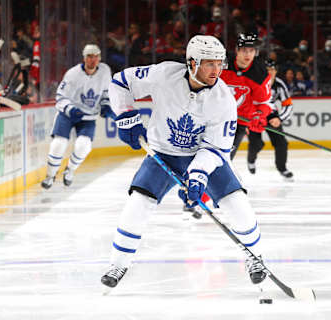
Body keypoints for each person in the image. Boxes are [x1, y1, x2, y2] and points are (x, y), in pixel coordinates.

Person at [101, 35, 267, 290]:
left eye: (219, 63)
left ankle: (256, 258)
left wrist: (199, 173)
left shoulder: (223, 99)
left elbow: (217, 148)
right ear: (192, 63)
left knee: (237, 204)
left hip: (204, 155)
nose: (216, 70)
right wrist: (125, 115)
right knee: (138, 204)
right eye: (209, 64)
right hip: (162, 154)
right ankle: (118, 263)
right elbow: (120, 82)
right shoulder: (164, 74)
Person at [41, 44, 113, 189]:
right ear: (84, 58)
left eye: (96, 57)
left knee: (84, 146)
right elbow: (60, 96)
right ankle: (50, 175)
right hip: (68, 115)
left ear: (99, 58)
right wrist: (71, 110)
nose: (93, 60)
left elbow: (106, 92)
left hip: (88, 117)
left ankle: (70, 171)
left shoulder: (105, 71)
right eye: (89, 57)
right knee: (58, 144)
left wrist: (106, 105)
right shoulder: (73, 74)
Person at [219, 33, 272, 174]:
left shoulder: (260, 75)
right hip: (215, 117)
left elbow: (264, 103)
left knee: (225, 158)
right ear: (237, 50)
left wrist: (259, 115)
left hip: (239, 123)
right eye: (244, 50)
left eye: (251, 51)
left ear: (256, 52)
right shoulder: (221, 65)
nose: (247, 54)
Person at [264, 59, 294, 179]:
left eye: (272, 70)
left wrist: (279, 119)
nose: (270, 72)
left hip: (270, 115)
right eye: (267, 70)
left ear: (276, 71)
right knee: (254, 143)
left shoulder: (279, 84)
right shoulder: (255, 80)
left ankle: (282, 168)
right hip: (253, 114)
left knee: (281, 143)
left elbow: (288, 105)